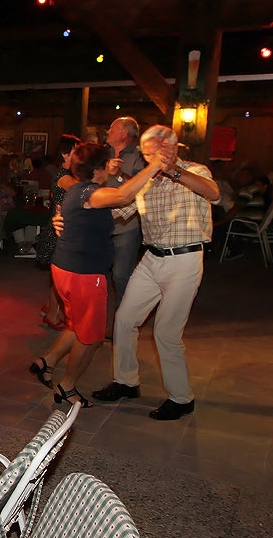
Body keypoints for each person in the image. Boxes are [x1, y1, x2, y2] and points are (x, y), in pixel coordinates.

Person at [91, 125, 220, 420]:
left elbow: (213, 193)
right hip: (151, 258)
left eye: (153, 154)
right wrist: (74, 215)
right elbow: (117, 211)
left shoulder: (195, 170)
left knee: (166, 331)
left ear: (171, 148)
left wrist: (174, 171)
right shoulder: (147, 180)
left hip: (185, 260)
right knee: (125, 319)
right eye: (146, 155)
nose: (149, 160)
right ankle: (126, 382)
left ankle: (181, 398)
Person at [28, 142, 167, 407]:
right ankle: (66, 387)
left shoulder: (77, 188)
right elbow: (123, 196)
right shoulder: (90, 193)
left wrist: (118, 175)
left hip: (66, 268)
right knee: (91, 337)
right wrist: (154, 166)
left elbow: (118, 200)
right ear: (99, 168)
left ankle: (46, 361)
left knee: (76, 325)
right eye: (107, 164)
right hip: (83, 273)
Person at [35, 134, 80, 329]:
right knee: (60, 278)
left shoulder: (67, 174)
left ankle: (50, 308)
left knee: (58, 276)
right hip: (60, 230)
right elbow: (83, 190)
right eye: (77, 150)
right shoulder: (65, 177)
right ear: (65, 154)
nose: (81, 155)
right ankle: (52, 315)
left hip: (61, 228)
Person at [105, 116, 144, 313]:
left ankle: (123, 319)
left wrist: (119, 175)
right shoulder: (104, 153)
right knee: (96, 272)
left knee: (121, 275)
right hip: (102, 223)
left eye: (112, 128)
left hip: (126, 225)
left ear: (124, 133)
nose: (108, 132)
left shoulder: (140, 156)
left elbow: (144, 188)